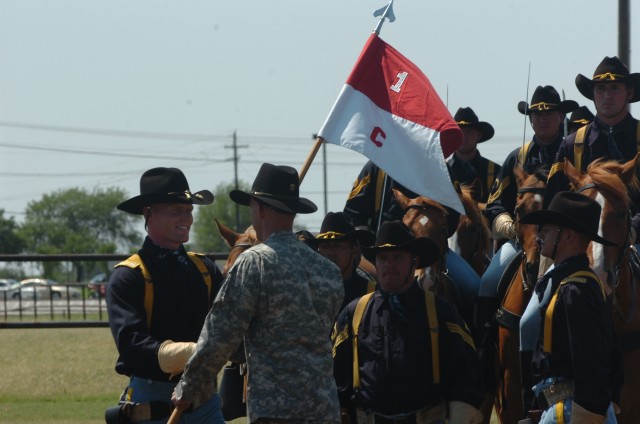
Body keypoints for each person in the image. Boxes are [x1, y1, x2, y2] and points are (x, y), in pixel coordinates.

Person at [172, 163, 344, 423]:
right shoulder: (329, 270)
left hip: (275, 410)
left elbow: (220, 335)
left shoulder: (254, 263)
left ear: (260, 208)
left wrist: (189, 385)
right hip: (323, 407)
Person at [476, 86, 578, 406]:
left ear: (562, 116)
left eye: (549, 113)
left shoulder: (573, 152)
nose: (542, 119)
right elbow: (494, 204)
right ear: (530, 119)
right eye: (537, 114)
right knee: (487, 281)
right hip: (521, 242)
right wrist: (506, 225)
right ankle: (484, 357)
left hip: (566, 244)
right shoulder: (516, 158)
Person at [332, 220, 483, 424]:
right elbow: (337, 377)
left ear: (414, 262)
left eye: (397, 257)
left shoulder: (441, 312)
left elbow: (464, 375)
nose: (389, 265)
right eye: (383, 258)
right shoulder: (354, 313)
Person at [106, 167, 225, 424]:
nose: (187, 218)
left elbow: (229, 322)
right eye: (176, 211)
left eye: (189, 210)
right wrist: (196, 352)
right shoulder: (129, 276)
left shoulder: (205, 269)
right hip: (153, 403)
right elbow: (132, 345)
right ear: (148, 213)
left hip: (206, 402)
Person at [517, 191, 622, 423]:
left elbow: (591, 364)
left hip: (570, 411)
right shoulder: (577, 283)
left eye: (548, 228)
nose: (539, 233)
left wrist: (587, 415)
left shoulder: (573, 291)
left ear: (568, 236)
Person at [343, 160, 480, 319]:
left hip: (433, 252)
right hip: (379, 254)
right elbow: (352, 213)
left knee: (472, 287)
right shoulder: (376, 164)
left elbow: (454, 213)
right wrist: (370, 247)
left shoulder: (439, 166)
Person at [546, 56, 640, 227]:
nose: (607, 96)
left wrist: (633, 230)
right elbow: (554, 201)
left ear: (630, 92)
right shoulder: (571, 144)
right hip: (581, 243)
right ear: (593, 94)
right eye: (601, 89)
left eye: (615, 88)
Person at [313, 211, 376, 313]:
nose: (331, 253)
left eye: (338, 246)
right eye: (325, 246)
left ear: (354, 252)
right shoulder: (309, 291)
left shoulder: (371, 293)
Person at [447, 107, 501, 205]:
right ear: (453, 135)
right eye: (460, 131)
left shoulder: (496, 172)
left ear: (479, 135)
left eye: (469, 131)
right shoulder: (443, 171)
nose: (464, 136)